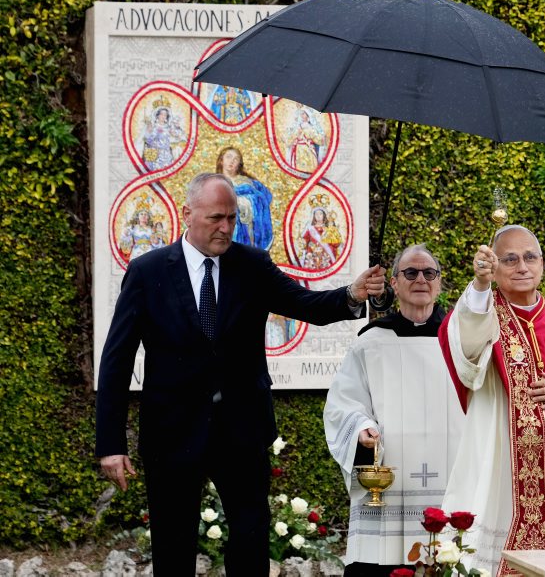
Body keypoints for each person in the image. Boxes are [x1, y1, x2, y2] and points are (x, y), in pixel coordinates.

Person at [96, 172, 386, 576]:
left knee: (251, 537)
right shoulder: (148, 272)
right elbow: (117, 358)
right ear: (187, 214)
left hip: (242, 430)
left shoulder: (252, 265)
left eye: (232, 217)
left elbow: (305, 304)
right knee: (172, 542)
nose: (227, 227)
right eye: (216, 217)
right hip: (172, 432)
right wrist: (111, 443)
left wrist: (351, 295)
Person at [439, 225, 545, 576]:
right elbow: (464, 344)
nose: (521, 266)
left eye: (529, 257)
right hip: (508, 460)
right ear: (494, 267)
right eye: (509, 259)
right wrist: (479, 286)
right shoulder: (484, 314)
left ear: (542, 264)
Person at [324, 244, 464, 577]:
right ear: (395, 284)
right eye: (410, 272)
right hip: (389, 483)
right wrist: (360, 429)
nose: (421, 279)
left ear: (440, 283)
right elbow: (344, 403)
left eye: (429, 273)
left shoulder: (460, 341)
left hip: (451, 475)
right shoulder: (370, 342)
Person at [216, 146, 274, 250]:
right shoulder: (213, 183)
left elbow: (265, 198)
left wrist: (247, 202)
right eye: (228, 157)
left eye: (236, 159)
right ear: (221, 160)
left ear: (239, 164)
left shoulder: (249, 183)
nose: (232, 161)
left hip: (247, 226)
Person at [142, 105, 186, 171]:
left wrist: (178, 127)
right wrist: (151, 132)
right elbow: (148, 140)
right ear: (157, 115)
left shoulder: (169, 127)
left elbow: (179, 136)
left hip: (167, 154)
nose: (163, 116)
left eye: (165, 115)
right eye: (161, 114)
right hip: (155, 154)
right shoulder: (153, 127)